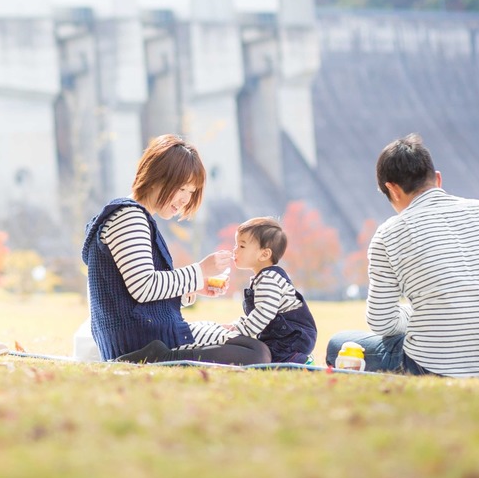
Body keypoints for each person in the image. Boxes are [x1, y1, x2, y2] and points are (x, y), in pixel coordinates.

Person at [325, 133, 479, 379]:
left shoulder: (389, 234)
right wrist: (477, 311)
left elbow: (382, 322)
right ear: (438, 178)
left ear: (392, 190)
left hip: (432, 368)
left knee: (338, 344)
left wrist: (430, 314)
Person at [81, 134, 271, 365]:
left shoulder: (133, 217)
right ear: (156, 177)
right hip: (141, 342)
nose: (185, 200)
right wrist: (200, 270)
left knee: (255, 346)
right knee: (255, 352)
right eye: (182, 189)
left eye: (191, 192)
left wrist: (193, 287)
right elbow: (144, 287)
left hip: (147, 335)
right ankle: (160, 358)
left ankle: (165, 356)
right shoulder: (130, 218)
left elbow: (131, 297)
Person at [221, 217, 317, 364]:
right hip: (281, 335)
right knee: (262, 351)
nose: (235, 250)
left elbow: (264, 313)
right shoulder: (262, 277)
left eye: (242, 246)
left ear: (264, 254)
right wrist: (235, 325)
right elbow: (257, 313)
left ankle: (301, 361)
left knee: (269, 357)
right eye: (236, 245)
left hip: (292, 336)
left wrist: (239, 330)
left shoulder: (268, 279)